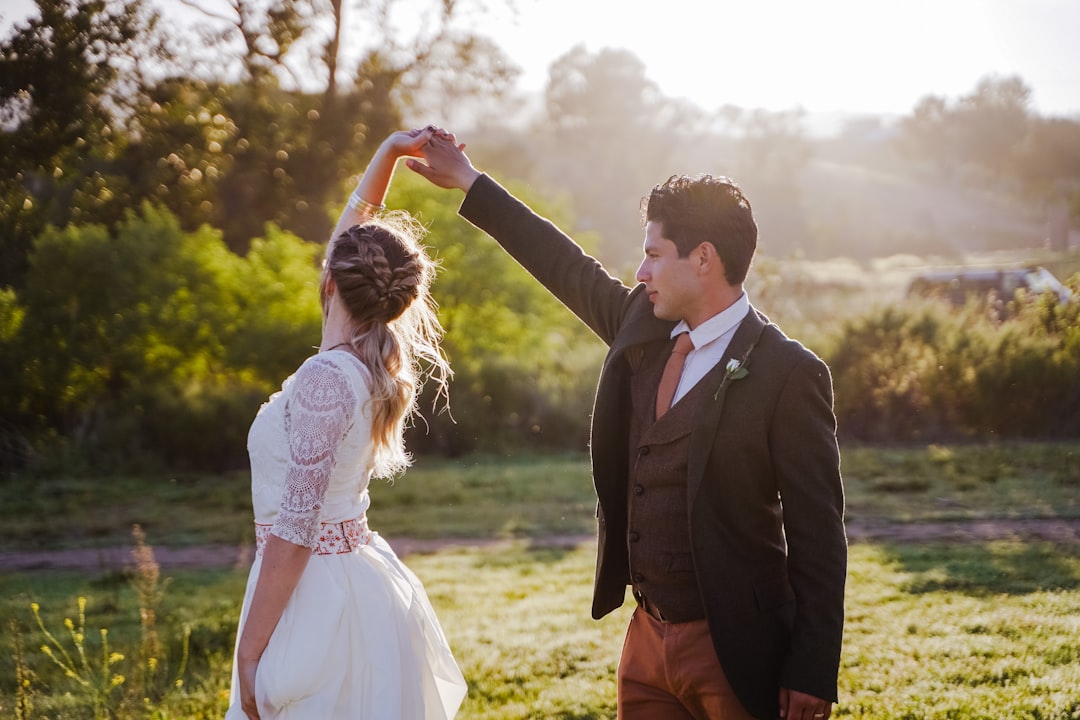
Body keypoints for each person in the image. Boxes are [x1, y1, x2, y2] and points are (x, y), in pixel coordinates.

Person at [408, 137, 846, 720]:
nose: (640, 272)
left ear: (704, 258)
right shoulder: (642, 324)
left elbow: (819, 537)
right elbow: (563, 264)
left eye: (654, 254)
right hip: (646, 645)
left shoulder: (790, 373)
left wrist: (811, 668)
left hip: (739, 649)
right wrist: (469, 180)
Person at [225, 127, 468, 720]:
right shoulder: (357, 362)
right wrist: (388, 151)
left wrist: (251, 656)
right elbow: (351, 235)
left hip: (313, 600)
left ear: (330, 282)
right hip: (352, 581)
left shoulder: (326, 378)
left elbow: (295, 530)